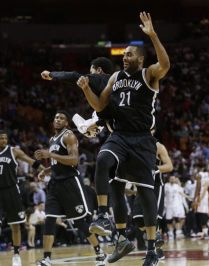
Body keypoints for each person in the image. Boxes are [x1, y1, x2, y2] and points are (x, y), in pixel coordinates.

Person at [77, 11, 170, 265]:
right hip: (119, 135)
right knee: (103, 160)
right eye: (125, 54)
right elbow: (100, 106)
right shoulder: (116, 78)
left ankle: (151, 249)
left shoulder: (148, 74)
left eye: (129, 54)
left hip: (142, 139)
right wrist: (86, 90)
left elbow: (165, 65)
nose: (124, 57)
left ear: (139, 59)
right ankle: (103, 214)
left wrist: (152, 35)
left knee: (145, 191)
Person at [41, 57, 116, 231]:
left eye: (91, 71)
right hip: (130, 127)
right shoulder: (119, 85)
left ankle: (103, 215)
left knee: (103, 163)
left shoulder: (102, 78)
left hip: (121, 134)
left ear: (98, 70)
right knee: (124, 182)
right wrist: (97, 124)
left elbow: (75, 76)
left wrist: (51, 74)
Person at [34, 111, 107, 266]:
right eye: (56, 117)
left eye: (61, 118)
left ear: (67, 123)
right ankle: (46, 258)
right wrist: (47, 170)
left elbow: (73, 160)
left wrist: (50, 155)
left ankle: (99, 251)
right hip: (55, 184)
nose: (58, 120)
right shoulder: (52, 139)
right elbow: (58, 162)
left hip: (70, 184)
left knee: (80, 223)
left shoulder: (69, 136)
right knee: (49, 220)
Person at [0, 130, 46, 266]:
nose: (4, 141)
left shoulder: (14, 151)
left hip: (12, 191)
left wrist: (44, 169)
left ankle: (16, 255)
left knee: (15, 226)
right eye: (1, 138)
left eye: (6, 138)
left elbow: (31, 161)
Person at [132, 139, 173, 259]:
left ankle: (156, 250)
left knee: (153, 217)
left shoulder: (159, 146)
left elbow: (169, 166)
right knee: (138, 219)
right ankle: (156, 236)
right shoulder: (135, 146)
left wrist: (155, 168)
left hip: (155, 185)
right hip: (141, 184)